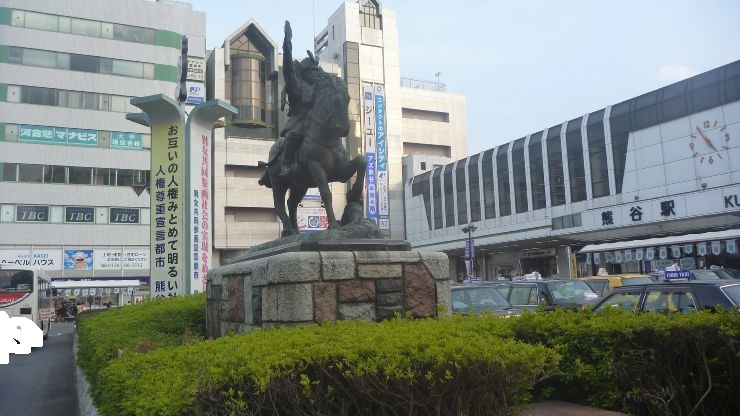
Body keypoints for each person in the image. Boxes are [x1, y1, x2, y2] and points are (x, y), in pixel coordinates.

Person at [277, 20, 323, 177]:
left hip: (316, 122)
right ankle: (286, 162)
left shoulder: (317, 86)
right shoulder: (296, 84)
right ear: (306, 72)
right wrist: (287, 42)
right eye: (313, 71)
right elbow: (288, 68)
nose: (316, 74)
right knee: (295, 134)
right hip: (299, 121)